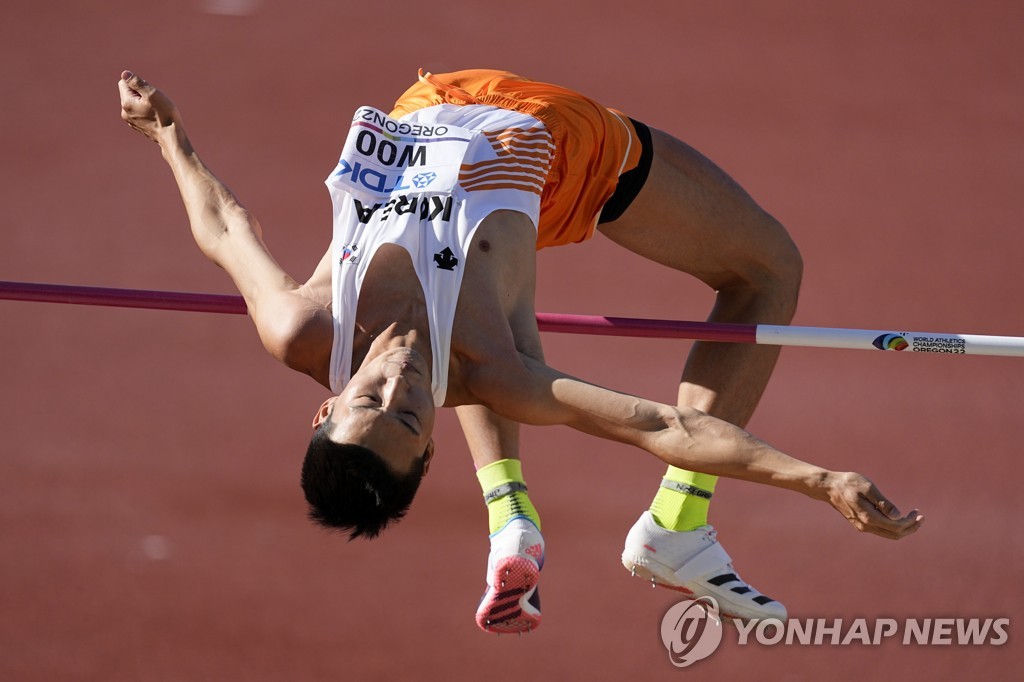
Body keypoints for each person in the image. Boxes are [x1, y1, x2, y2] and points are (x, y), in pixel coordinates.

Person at [118, 69, 923, 634]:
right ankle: (671, 524)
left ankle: (518, 518)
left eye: (369, 402)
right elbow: (662, 427)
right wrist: (819, 479)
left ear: (326, 404)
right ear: (430, 444)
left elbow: (225, 230)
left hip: (436, 98)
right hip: (571, 155)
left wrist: (166, 135)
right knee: (769, 268)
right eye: (409, 416)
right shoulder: (494, 374)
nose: (400, 383)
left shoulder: (304, 326)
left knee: (490, 328)